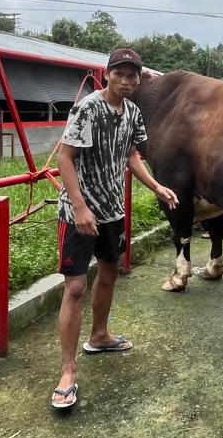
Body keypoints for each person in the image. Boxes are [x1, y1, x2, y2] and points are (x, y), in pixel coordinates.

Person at [51, 47, 178, 409]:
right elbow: (65, 157)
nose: (126, 80)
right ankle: (68, 371)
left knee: (109, 272)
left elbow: (131, 155)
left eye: (132, 75)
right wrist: (80, 208)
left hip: (111, 211)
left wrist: (156, 186)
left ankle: (100, 336)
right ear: (107, 75)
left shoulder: (133, 112)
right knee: (75, 287)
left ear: (138, 79)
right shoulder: (88, 108)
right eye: (119, 73)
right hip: (78, 213)